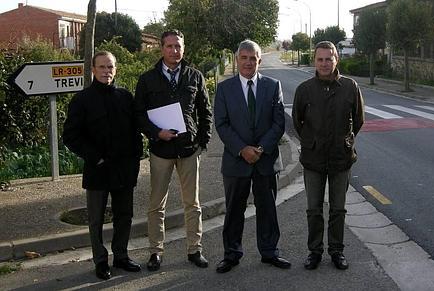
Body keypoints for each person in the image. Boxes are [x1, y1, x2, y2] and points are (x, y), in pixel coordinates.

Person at [134, 30, 212, 271]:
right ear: (161, 48)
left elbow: (206, 112)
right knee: (157, 205)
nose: (174, 51)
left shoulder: (195, 76)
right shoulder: (147, 79)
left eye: (178, 46)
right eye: (169, 46)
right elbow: (138, 115)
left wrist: (202, 142)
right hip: (161, 151)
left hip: (189, 150)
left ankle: (194, 250)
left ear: (183, 48)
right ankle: (156, 252)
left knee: (193, 203)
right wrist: (157, 133)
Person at [63, 51, 143, 280]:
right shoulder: (81, 100)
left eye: (110, 67)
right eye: (102, 67)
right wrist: (95, 157)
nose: (107, 71)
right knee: (96, 219)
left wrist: (136, 157)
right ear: (93, 69)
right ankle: (100, 261)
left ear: (115, 69)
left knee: (124, 215)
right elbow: (70, 136)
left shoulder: (125, 97)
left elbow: (135, 131)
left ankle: (121, 256)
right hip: (97, 170)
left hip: (124, 169)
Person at [213, 39, 290, 273]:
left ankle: (269, 252)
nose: (248, 62)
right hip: (236, 161)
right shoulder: (224, 89)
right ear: (237, 60)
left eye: (253, 58)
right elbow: (222, 124)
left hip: (265, 161)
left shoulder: (272, 85)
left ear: (259, 60)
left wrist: (261, 149)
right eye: (243, 58)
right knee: (234, 210)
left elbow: (279, 123)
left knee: (267, 209)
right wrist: (243, 149)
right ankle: (232, 254)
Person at [292, 41, 365, 270]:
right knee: (313, 209)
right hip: (313, 160)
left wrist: (345, 141)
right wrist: (311, 141)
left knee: (338, 209)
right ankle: (314, 251)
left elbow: (358, 119)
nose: (324, 63)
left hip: (340, 159)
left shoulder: (350, 87)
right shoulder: (305, 89)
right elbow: (297, 121)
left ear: (336, 60)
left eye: (328, 59)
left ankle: (336, 251)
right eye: (320, 59)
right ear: (315, 61)